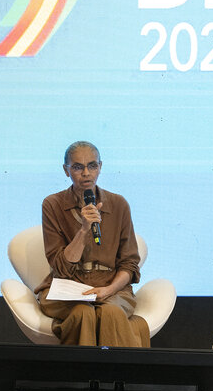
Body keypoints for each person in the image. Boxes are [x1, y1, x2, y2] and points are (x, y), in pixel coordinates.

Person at [34, 141, 150, 347]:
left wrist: (109, 289)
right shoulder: (52, 204)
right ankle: (81, 377)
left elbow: (129, 264)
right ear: (66, 170)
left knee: (110, 312)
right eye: (78, 167)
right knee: (82, 313)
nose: (86, 173)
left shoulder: (118, 204)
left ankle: (117, 376)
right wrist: (84, 230)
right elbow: (60, 267)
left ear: (100, 167)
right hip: (68, 287)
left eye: (92, 166)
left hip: (110, 286)